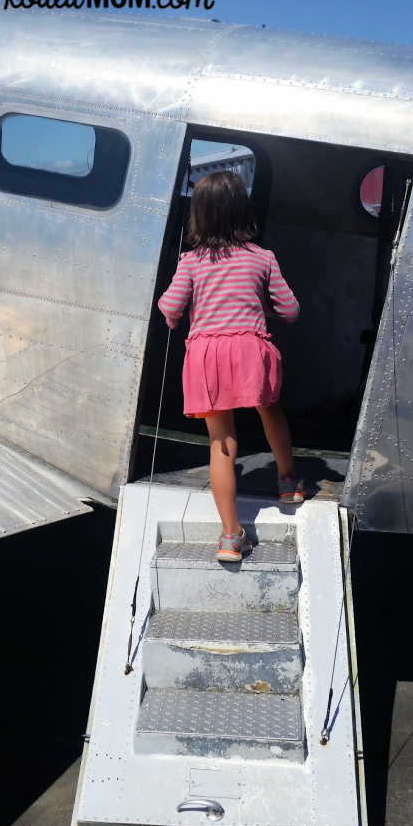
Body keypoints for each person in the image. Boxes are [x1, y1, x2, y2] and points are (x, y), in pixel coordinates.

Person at [157, 170, 303, 563]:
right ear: (243, 212)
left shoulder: (190, 262)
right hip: (250, 350)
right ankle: (287, 481)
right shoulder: (262, 258)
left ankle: (230, 535)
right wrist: (260, 307)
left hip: (207, 357)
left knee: (222, 442)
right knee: (269, 409)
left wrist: (176, 318)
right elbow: (290, 310)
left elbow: (170, 307)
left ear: (199, 216)